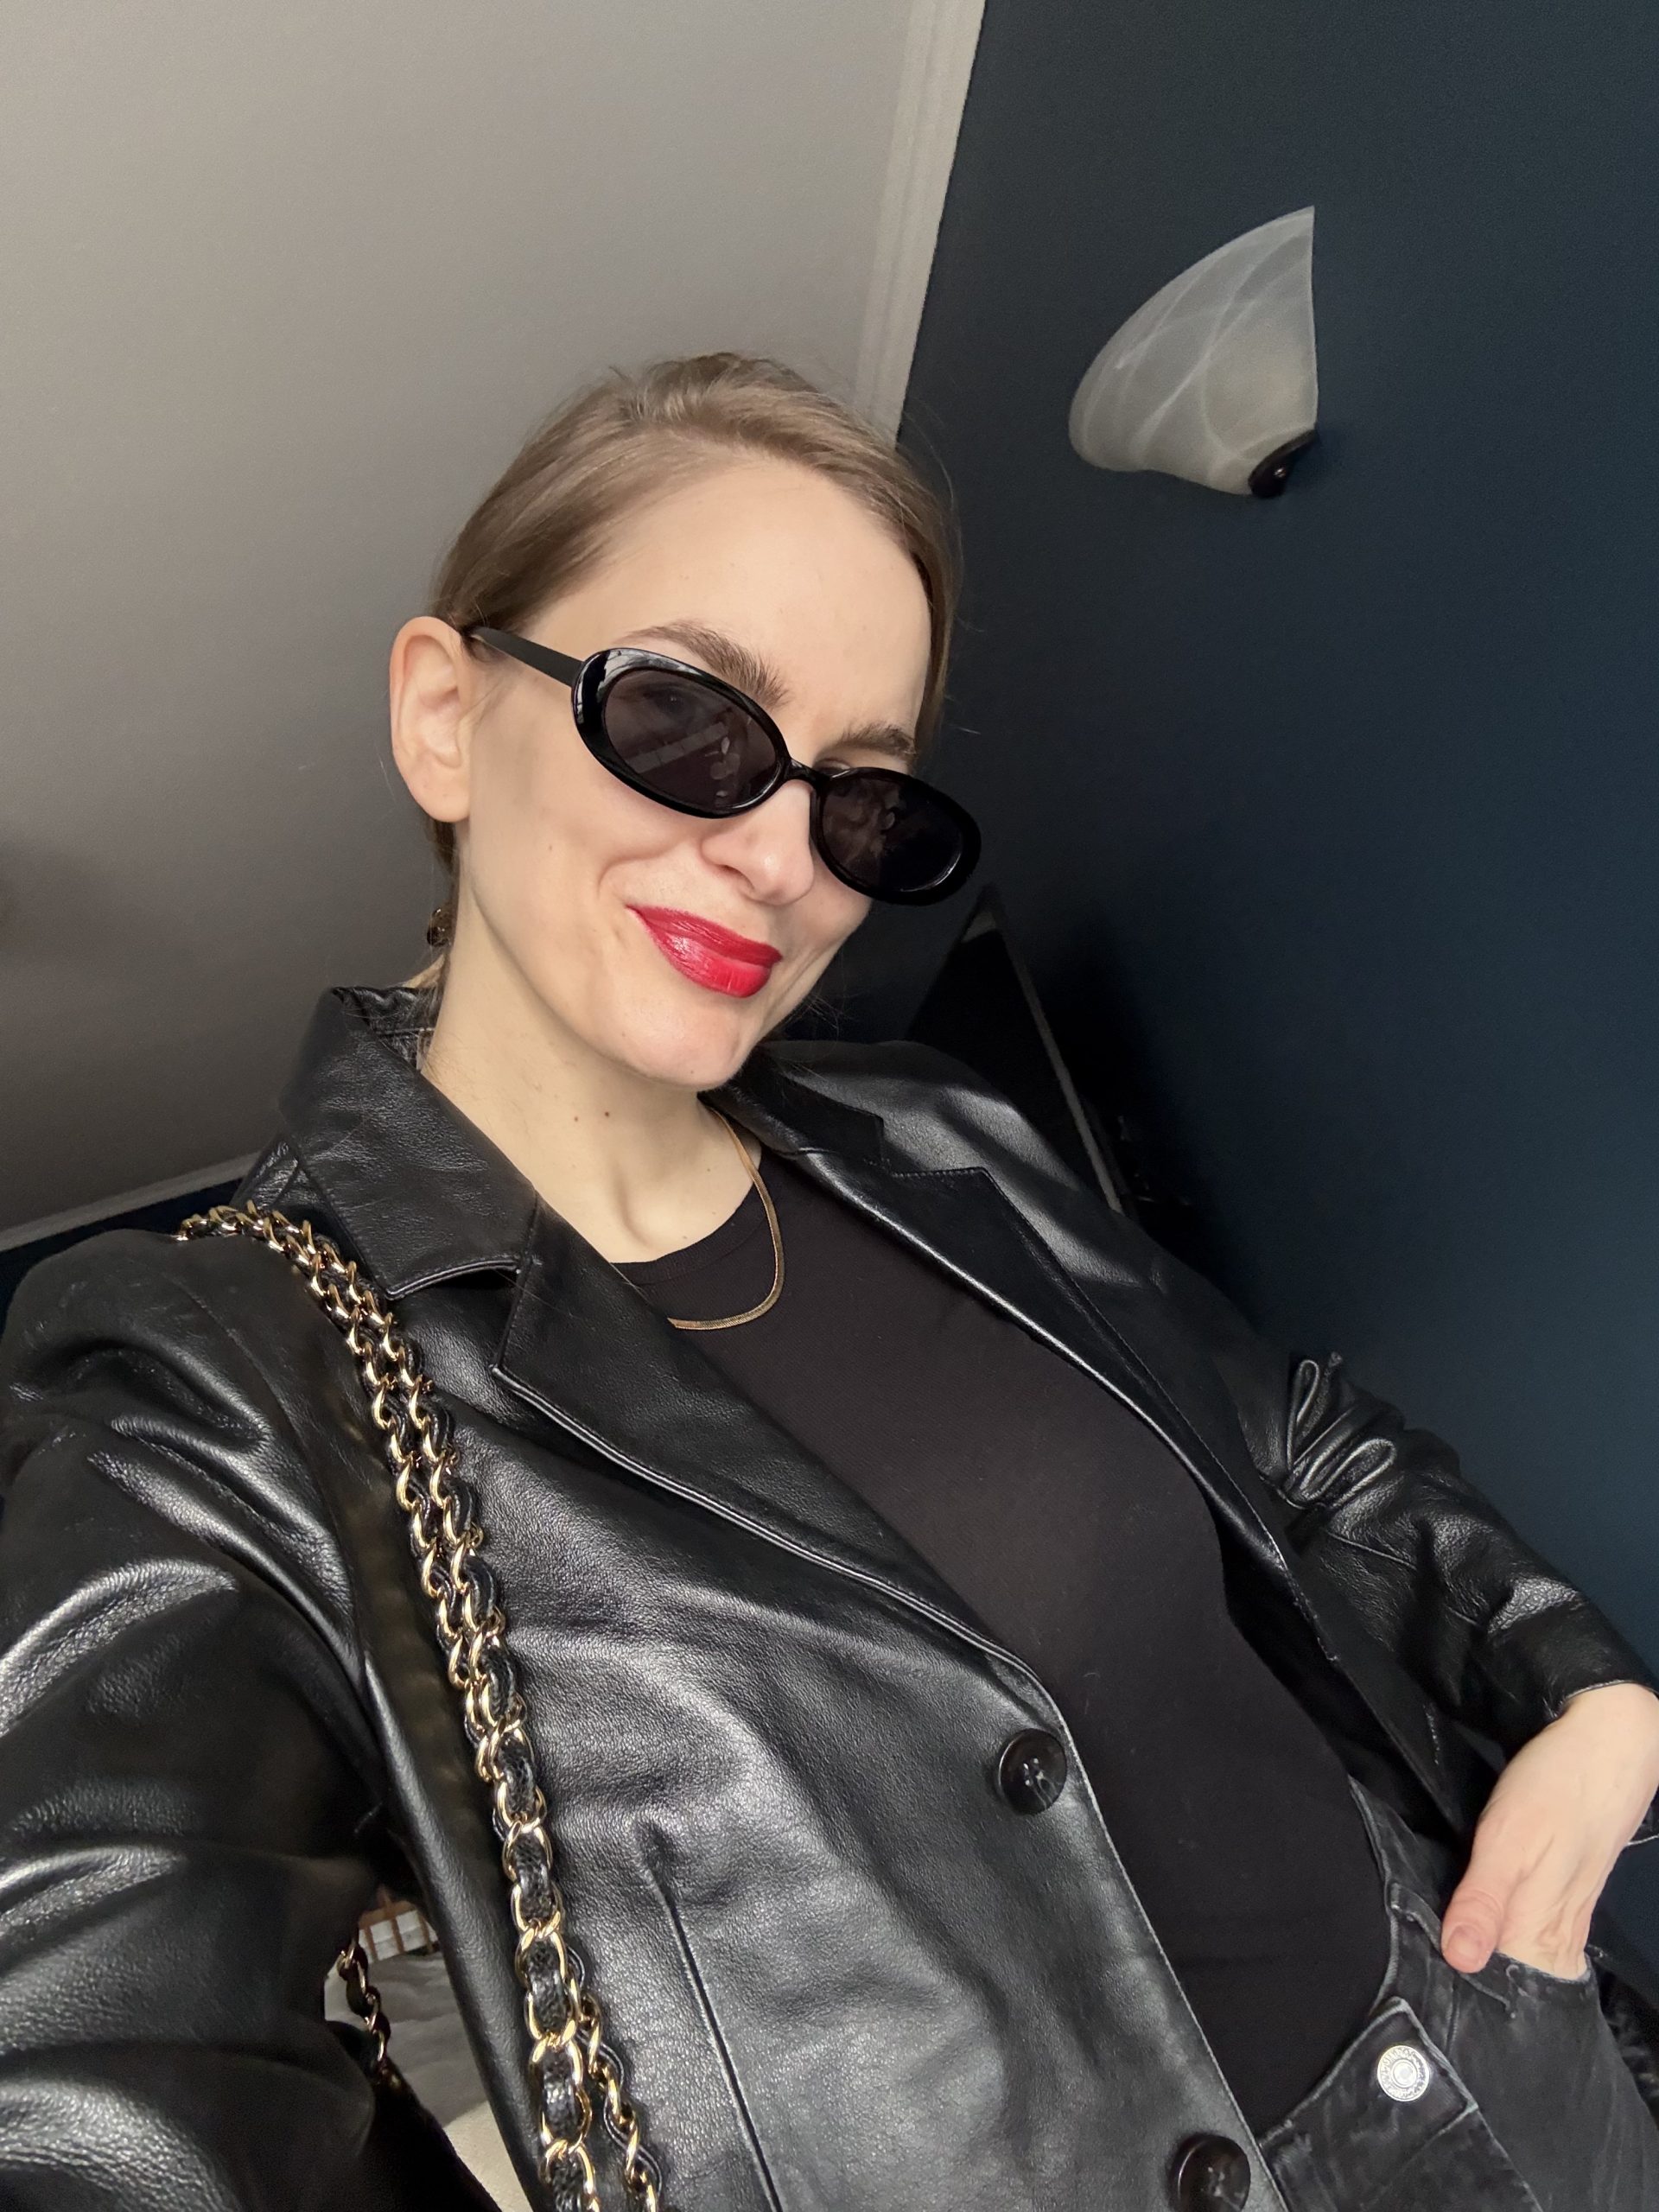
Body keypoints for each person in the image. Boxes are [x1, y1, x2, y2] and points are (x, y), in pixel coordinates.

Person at [1, 353, 1657, 2212]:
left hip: (1516, 2056)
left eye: (864, 799)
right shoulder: (225, 1375)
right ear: (448, 717)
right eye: (687, 718)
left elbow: (1292, 1445)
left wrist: (1582, 1689)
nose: (783, 854)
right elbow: (71, 2086)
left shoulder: (935, 1133)